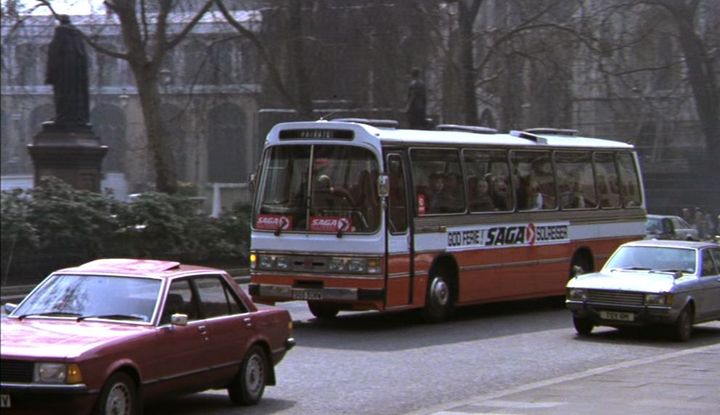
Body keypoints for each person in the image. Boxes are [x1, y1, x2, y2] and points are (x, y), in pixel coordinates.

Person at [45, 15, 90, 127]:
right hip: (77, 78)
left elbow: (54, 55)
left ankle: (63, 116)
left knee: (62, 96)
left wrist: (50, 75)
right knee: (75, 96)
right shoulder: (77, 38)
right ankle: (75, 116)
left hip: (62, 76)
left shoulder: (60, 33)